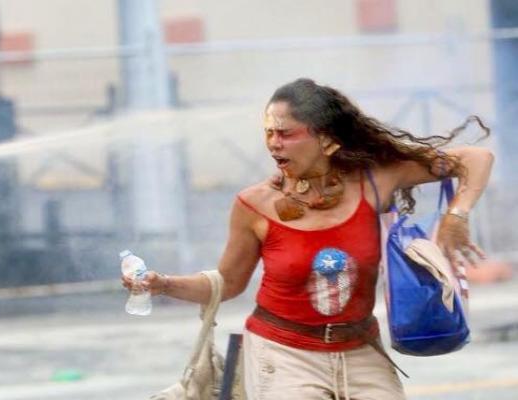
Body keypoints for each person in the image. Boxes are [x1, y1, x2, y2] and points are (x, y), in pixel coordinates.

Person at [122, 78, 494, 399]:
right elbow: (229, 283)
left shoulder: (374, 181)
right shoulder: (254, 204)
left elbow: (475, 159)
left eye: (285, 133)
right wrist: (162, 284)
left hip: (361, 350)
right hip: (282, 355)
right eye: (268, 132)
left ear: (327, 140)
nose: (273, 143)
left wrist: (456, 216)